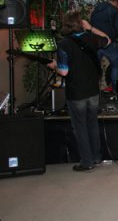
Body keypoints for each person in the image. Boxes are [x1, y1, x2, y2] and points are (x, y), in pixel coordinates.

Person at [47, 11, 110, 171]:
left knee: (80, 127)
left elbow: (63, 72)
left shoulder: (64, 44)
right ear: (81, 23)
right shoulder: (91, 38)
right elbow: (107, 40)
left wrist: (54, 66)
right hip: (93, 90)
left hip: (76, 92)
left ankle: (87, 162)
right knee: (92, 123)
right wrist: (91, 28)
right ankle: (96, 157)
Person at [90, 0, 118, 95]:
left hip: (96, 43)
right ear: (115, 2)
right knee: (115, 66)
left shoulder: (96, 10)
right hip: (109, 43)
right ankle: (115, 91)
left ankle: (94, 91)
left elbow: (91, 26)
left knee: (95, 67)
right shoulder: (115, 11)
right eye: (117, 5)